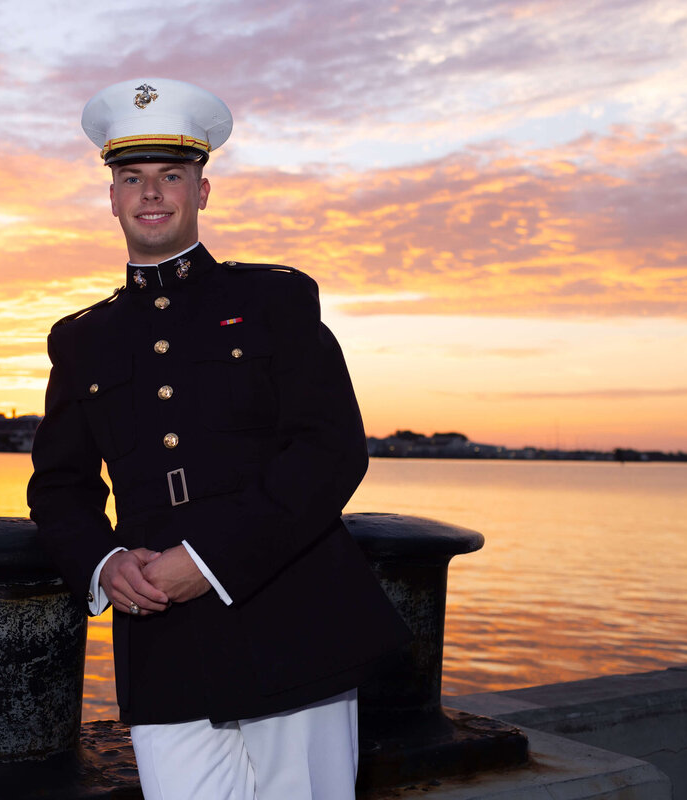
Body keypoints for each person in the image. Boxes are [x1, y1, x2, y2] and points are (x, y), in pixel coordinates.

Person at [27, 78, 410, 800]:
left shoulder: (273, 301)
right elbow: (60, 488)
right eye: (132, 178)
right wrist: (104, 563)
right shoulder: (82, 340)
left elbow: (331, 449)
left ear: (202, 191)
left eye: (172, 175)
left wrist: (206, 561)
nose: (151, 194)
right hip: (160, 634)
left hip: (291, 615)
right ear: (110, 197)